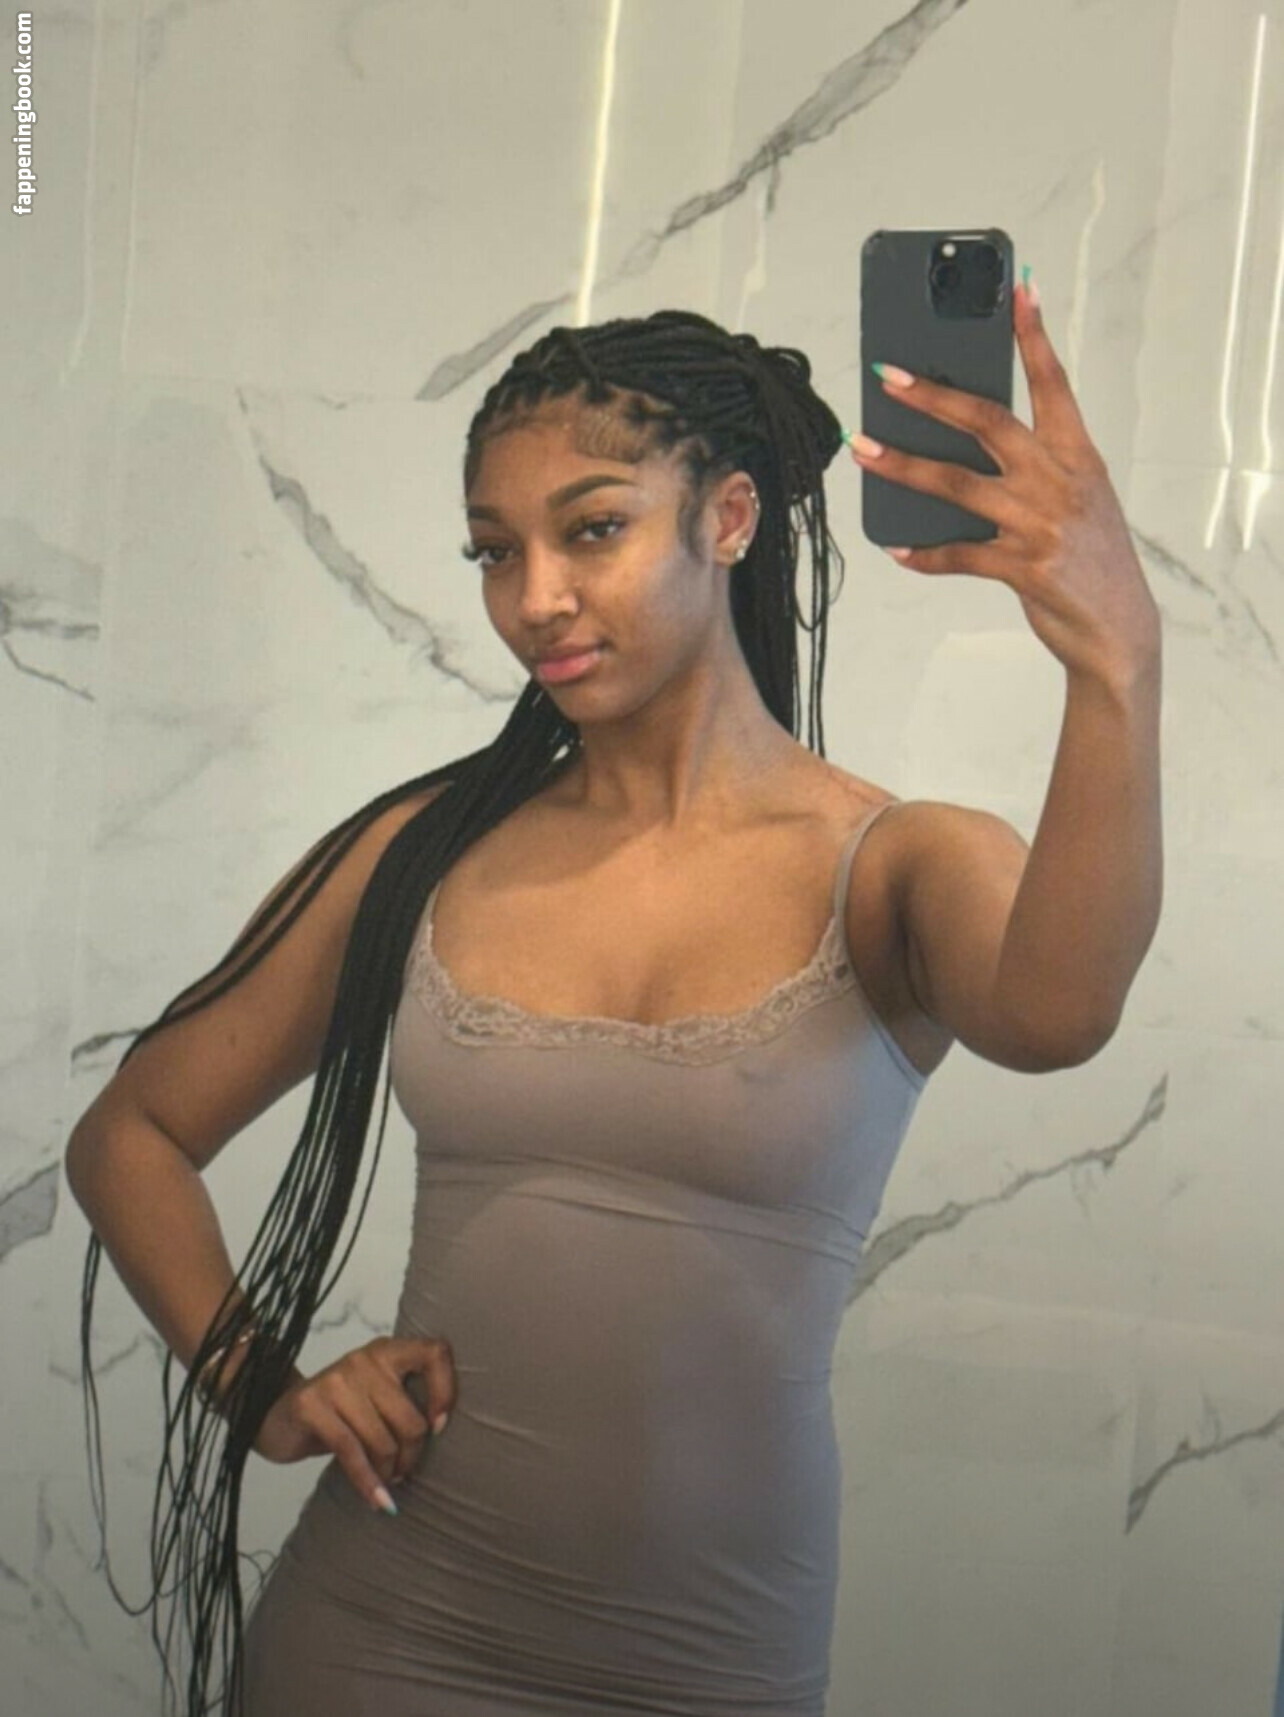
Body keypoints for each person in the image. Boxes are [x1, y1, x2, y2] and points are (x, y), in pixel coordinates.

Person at [65, 293, 1162, 1717]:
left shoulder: (893, 866)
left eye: (591, 531)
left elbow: (1063, 1011)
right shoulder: (424, 855)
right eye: (494, 550)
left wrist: (1116, 661)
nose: (534, 597)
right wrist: (263, 1387)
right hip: (378, 1638)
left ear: (728, 518)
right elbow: (132, 1134)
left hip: (708, 1669)